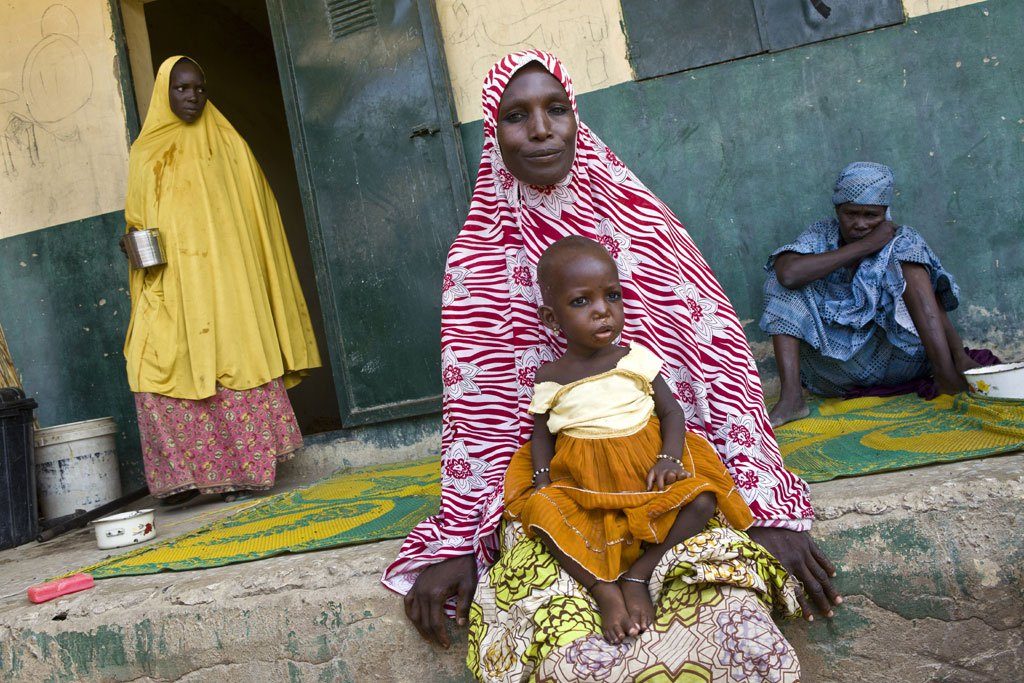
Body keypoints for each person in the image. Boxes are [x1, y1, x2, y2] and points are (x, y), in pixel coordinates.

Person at [386, 51, 837, 679]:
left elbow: (714, 366)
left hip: (660, 477)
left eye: (556, 109)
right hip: (563, 491)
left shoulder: (640, 224)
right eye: (517, 116)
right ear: (493, 131)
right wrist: (460, 540)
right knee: (567, 643)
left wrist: (761, 504)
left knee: (733, 627)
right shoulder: (476, 263)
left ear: (577, 118)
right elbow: (480, 423)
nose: (541, 128)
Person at [503, 236, 759, 644]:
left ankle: (640, 573)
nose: (603, 310)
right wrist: (541, 478)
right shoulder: (550, 376)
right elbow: (541, 434)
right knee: (542, 516)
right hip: (585, 481)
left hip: (646, 470)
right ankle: (603, 590)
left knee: (703, 501)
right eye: (581, 302)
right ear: (551, 320)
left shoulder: (634, 359)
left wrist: (669, 458)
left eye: (612, 296)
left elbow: (672, 412)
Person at [122, 56, 320, 504]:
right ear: (163, 93)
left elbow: (257, 220)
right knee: (150, 362)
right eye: (181, 89)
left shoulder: (228, 144)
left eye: (199, 88)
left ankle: (245, 475)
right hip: (171, 284)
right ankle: (184, 478)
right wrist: (130, 244)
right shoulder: (146, 151)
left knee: (235, 360)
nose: (192, 97)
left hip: (228, 285)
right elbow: (138, 221)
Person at [761, 162, 985, 428]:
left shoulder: (900, 239)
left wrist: (959, 355)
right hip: (831, 371)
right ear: (837, 211)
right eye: (851, 214)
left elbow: (932, 298)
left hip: (898, 361)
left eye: (872, 216)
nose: (860, 224)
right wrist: (866, 246)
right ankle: (792, 399)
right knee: (782, 281)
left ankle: (945, 372)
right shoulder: (821, 235)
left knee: (908, 258)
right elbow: (788, 274)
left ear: (885, 214)